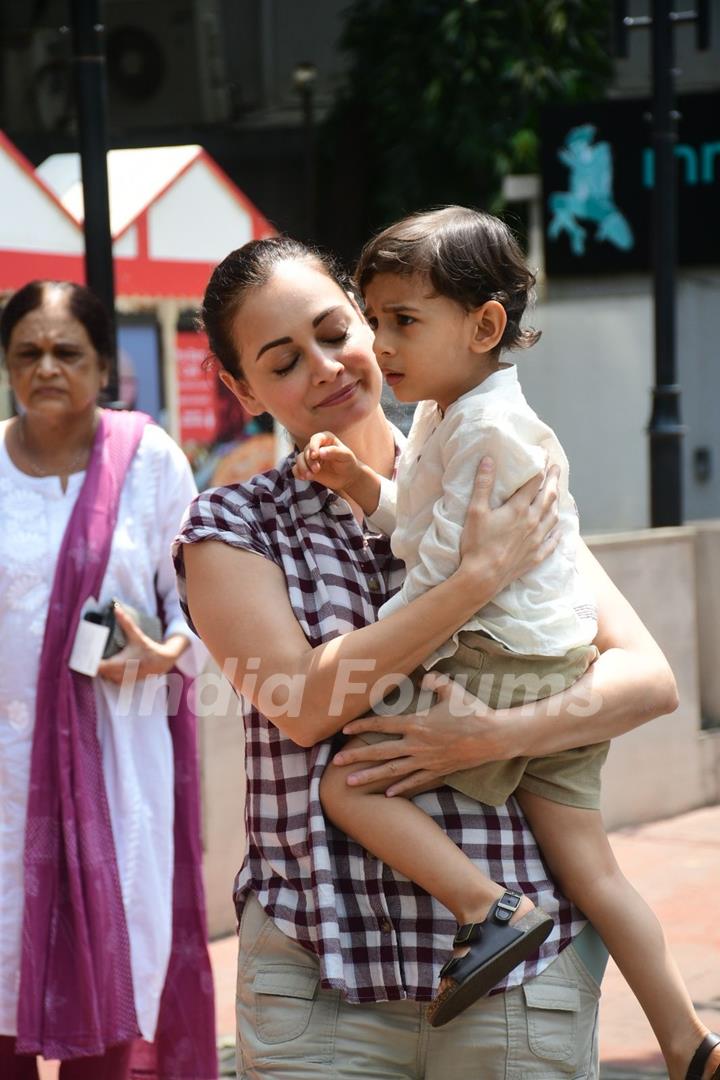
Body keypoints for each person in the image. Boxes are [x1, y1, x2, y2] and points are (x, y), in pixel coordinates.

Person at [173, 236, 688, 1080]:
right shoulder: (232, 527)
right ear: (241, 388)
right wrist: (472, 578)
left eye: (336, 331)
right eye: (282, 360)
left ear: (371, 321)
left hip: (521, 987)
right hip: (321, 977)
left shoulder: (490, 466)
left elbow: (646, 681)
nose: (328, 367)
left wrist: (485, 738)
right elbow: (303, 703)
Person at [0, 281, 217, 1080]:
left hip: (119, 763)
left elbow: (201, 595)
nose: (47, 367)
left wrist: (170, 653)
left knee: (117, 997)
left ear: (103, 366)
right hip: (5, 781)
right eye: (28, 352)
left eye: (67, 352)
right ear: (7, 365)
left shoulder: (149, 459)